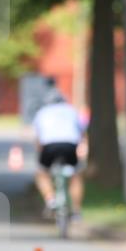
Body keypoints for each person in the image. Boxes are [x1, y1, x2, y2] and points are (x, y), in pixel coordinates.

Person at [32, 88, 85, 217]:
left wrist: (40, 153)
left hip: (49, 146)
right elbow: (81, 133)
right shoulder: (72, 111)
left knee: (42, 173)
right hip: (70, 145)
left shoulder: (42, 112)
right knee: (76, 175)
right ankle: (77, 210)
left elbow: (38, 138)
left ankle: (51, 199)